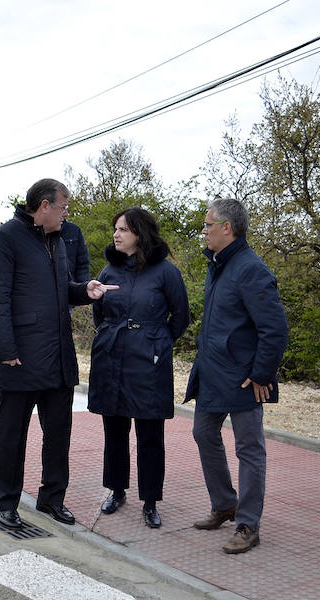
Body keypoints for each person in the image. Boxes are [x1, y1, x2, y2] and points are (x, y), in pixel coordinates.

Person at [0, 178, 117, 530]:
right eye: (64, 207)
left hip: (57, 354)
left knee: (59, 431)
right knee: (11, 435)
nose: (67, 214)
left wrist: (84, 291)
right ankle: (6, 503)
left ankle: (52, 498)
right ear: (44, 206)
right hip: (20, 356)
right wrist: (6, 349)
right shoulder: (5, 238)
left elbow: (60, 292)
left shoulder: (58, 239)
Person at [185, 197, 288, 554]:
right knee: (202, 432)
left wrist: (261, 373)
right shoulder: (219, 265)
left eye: (207, 225)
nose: (204, 231)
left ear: (226, 228)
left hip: (245, 378)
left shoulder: (250, 268)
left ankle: (247, 524)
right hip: (213, 373)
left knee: (249, 449)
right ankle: (225, 503)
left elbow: (275, 329)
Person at [88, 208, 189, 529]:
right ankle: (116, 490)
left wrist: (156, 342)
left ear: (140, 234)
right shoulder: (108, 271)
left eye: (123, 230)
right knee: (114, 430)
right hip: (111, 357)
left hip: (149, 361)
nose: (116, 235)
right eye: (115, 229)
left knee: (150, 434)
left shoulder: (166, 273)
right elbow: (99, 315)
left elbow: (181, 317)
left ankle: (150, 500)